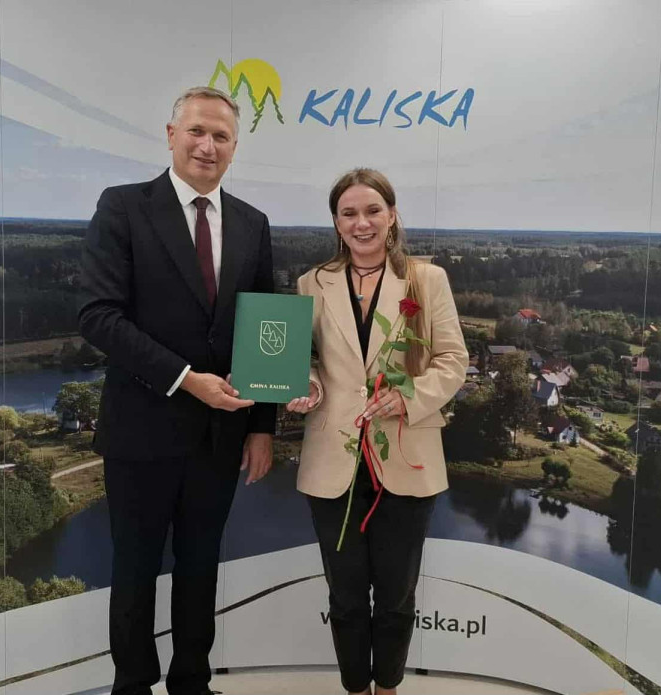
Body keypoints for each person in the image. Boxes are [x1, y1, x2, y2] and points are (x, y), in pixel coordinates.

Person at [79, 86, 276, 695]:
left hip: (220, 438)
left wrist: (262, 427)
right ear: (171, 136)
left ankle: (192, 682)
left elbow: (264, 331)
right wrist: (186, 380)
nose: (207, 145)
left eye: (221, 136)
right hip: (141, 432)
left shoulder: (253, 223)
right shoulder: (123, 207)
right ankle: (132, 685)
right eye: (196, 131)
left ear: (234, 147)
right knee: (135, 572)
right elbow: (98, 316)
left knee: (200, 569)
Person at [286, 168, 468, 695]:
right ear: (336, 222)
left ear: (392, 216)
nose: (361, 223)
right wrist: (307, 383)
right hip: (332, 461)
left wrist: (408, 396)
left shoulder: (426, 280)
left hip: (407, 459)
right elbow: (306, 361)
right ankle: (355, 690)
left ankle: (387, 688)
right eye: (349, 213)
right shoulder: (311, 283)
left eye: (372, 211)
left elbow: (453, 360)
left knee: (395, 597)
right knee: (344, 598)